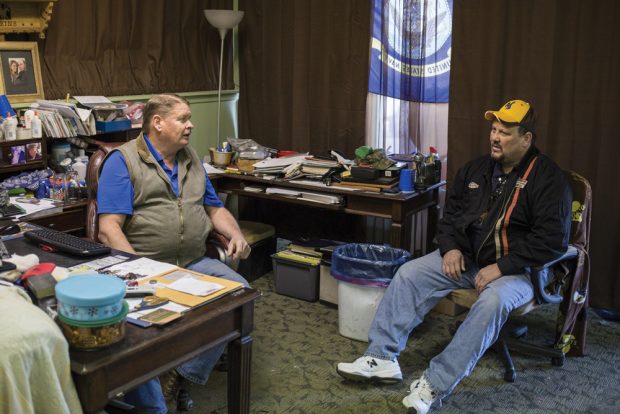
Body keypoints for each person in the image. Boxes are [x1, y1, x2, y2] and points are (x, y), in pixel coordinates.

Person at [336, 99, 572, 414]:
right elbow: (449, 219)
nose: (495, 137)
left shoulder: (549, 179)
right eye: (493, 129)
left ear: (526, 139)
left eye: (505, 132)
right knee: (409, 273)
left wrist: (502, 267)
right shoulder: (475, 169)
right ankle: (382, 357)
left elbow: (553, 241)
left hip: (519, 271)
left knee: (492, 301)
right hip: (468, 259)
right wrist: (449, 247)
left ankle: (434, 384)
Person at [97, 93, 251, 413]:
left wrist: (234, 232)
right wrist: (143, 272)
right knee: (149, 325)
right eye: (183, 118)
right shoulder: (122, 161)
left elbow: (214, 208)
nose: (191, 125)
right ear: (158, 123)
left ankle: (179, 374)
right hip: (150, 266)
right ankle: (164, 377)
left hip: (195, 261)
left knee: (240, 294)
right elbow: (108, 228)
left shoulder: (189, 156)